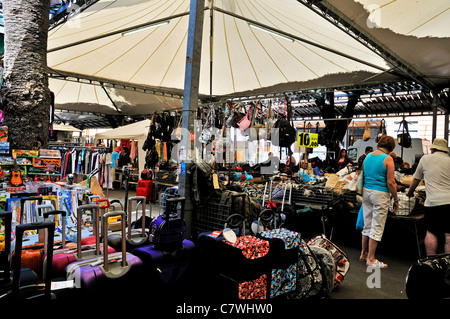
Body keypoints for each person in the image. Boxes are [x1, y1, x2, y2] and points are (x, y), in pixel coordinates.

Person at [360, 135, 398, 268]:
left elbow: (364, 174)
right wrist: (396, 198)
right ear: (391, 146)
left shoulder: (368, 156)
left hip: (366, 192)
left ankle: (363, 253)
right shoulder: (388, 159)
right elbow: (391, 182)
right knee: (377, 226)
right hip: (380, 194)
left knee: (367, 223)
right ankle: (371, 259)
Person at [407, 138, 450, 255]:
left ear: (433, 149)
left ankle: (431, 262)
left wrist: (410, 192)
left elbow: (416, 179)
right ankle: (448, 264)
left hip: (433, 203)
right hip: (449, 203)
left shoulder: (425, 159)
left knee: (431, 232)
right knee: (448, 234)